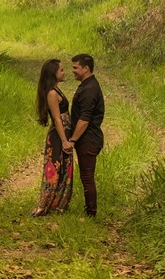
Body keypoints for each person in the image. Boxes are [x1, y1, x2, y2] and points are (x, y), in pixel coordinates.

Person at [30, 58, 74, 217]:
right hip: (58, 136)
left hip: (64, 134)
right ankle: (47, 203)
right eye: (61, 70)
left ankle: (59, 203)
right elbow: (56, 118)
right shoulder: (51, 93)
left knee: (64, 168)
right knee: (54, 169)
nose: (64, 72)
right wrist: (63, 140)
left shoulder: (56, 90)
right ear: (53, 74)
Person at [68, 52, 106, 218]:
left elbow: (84, 120)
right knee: (86, 176)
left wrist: (72, 140)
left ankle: (91, 213)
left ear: (86, 68)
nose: (73, 71)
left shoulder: (90, 89)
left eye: (75, 68)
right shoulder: (87, 85)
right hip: (87, 139)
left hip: (88, 140)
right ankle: (89, 210)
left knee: (87, 177)